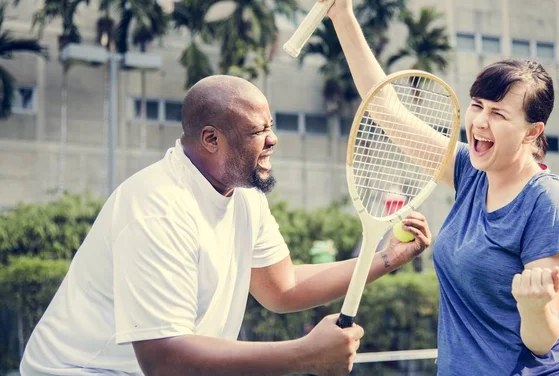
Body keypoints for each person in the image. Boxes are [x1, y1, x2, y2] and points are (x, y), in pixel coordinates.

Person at [20, 75, 432, 376]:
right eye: (258, 131)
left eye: (271, 126)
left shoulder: (244, 193)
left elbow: (281, 286)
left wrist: (383, 260)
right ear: (211, 139)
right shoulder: (157, 208)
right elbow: (164, 359)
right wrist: (305, 354)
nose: (273, 140)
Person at [316, 0, 559, 375]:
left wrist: (533, 308)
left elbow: (542, 341)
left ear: (533, 132)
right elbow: (386, 109)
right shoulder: (470, 170)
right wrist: (342, 16)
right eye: (477, 105)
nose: (479, 121)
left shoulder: (549, 203)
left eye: (498, 113)